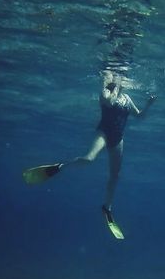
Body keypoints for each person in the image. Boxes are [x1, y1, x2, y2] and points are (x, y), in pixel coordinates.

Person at [61, 70, 155, 227]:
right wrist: (115, 86)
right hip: (103, 132)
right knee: (89, 158)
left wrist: (148, 105)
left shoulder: (127, 98)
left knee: (115, 176)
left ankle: (107, 207)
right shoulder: (105, 92)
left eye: (122, 80)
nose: (122, 82)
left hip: (118, 138)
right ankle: (62, 166)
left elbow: (139, 116)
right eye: (119, 80)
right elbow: (109, 102)